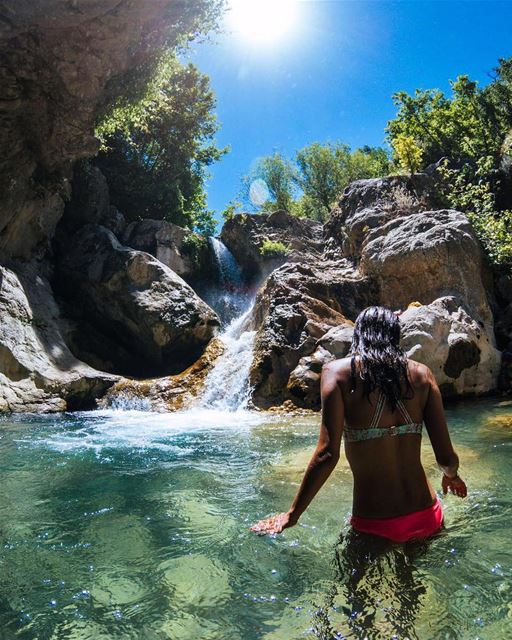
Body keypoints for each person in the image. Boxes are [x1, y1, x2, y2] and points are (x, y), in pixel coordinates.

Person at [251, 306, 467, 540]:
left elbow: (326, 455)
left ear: (359, 335)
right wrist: (452, 476)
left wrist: (292, 515)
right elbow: (446, 458)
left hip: (375, 522)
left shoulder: (337, 373)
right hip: (427, 515)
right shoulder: (422, 375)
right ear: (395, 337)